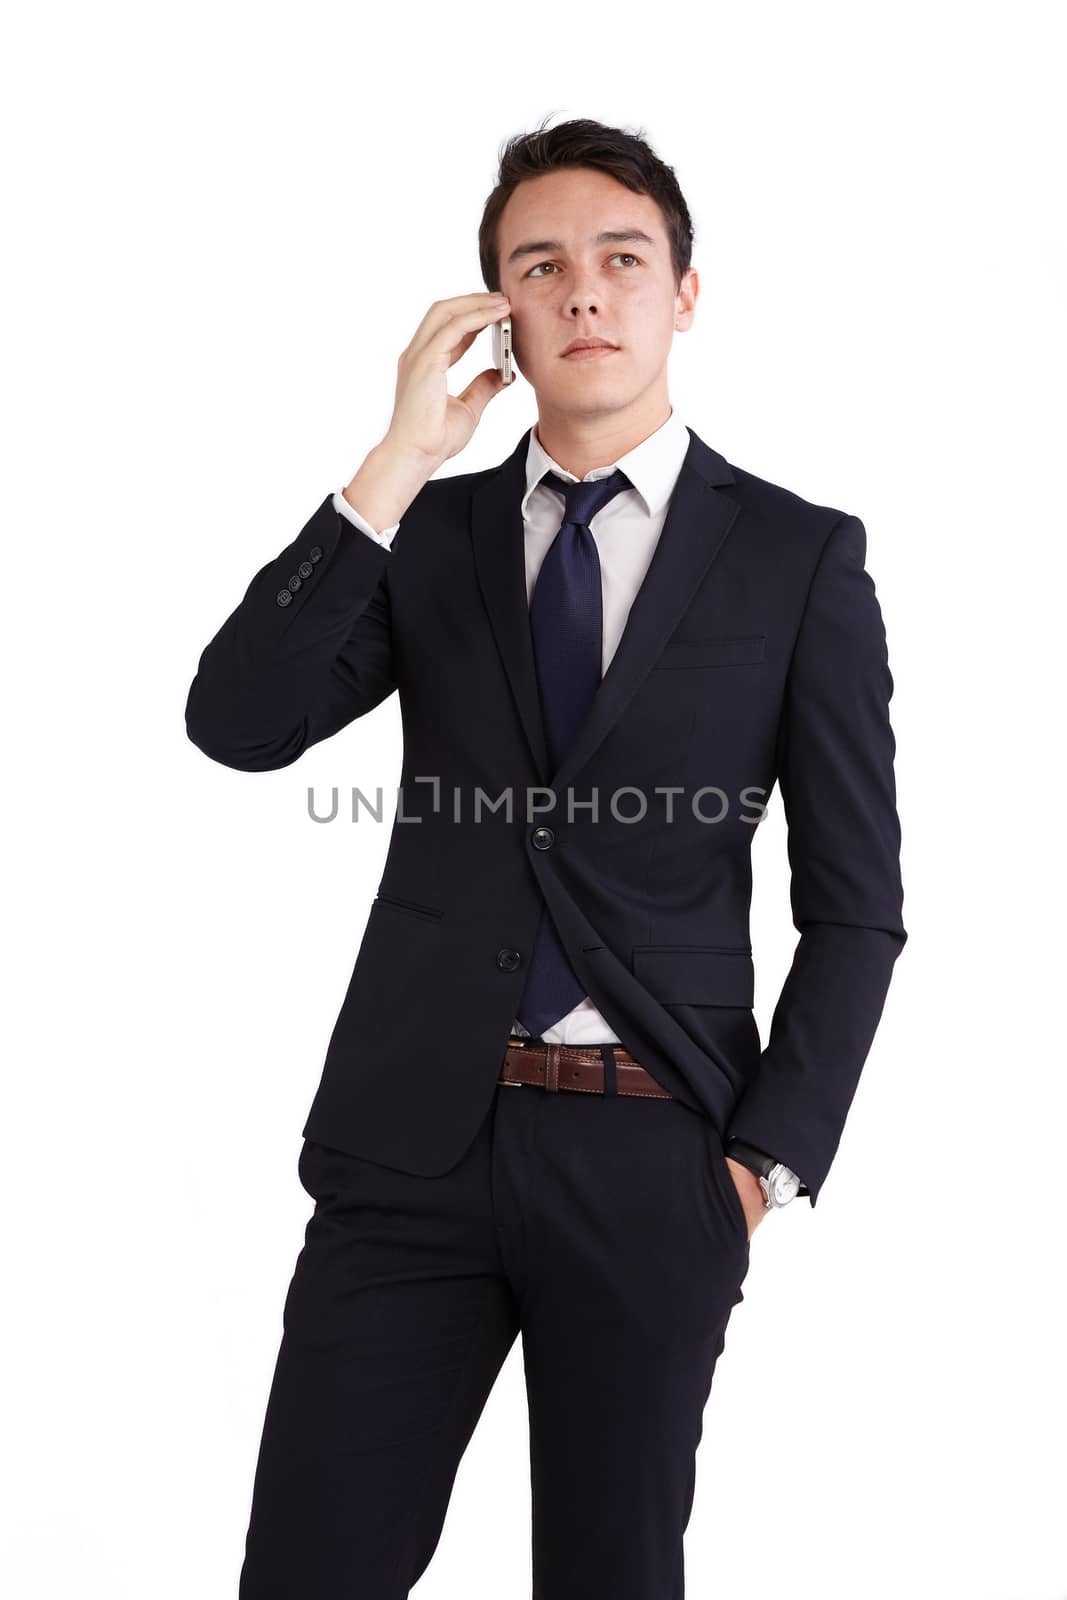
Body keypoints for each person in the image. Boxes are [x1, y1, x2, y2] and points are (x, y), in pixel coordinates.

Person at [185, 115, 907, 1599]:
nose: (584, 292)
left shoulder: (796, 558)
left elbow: (858, 908)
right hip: (408, 1150)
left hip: (656, 1160)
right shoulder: (432, 535)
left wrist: (761, 1168)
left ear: (682, 293)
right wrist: (392, 462)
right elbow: (238, 723)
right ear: (499, 312)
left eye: (621, 260)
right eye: (542, 265)